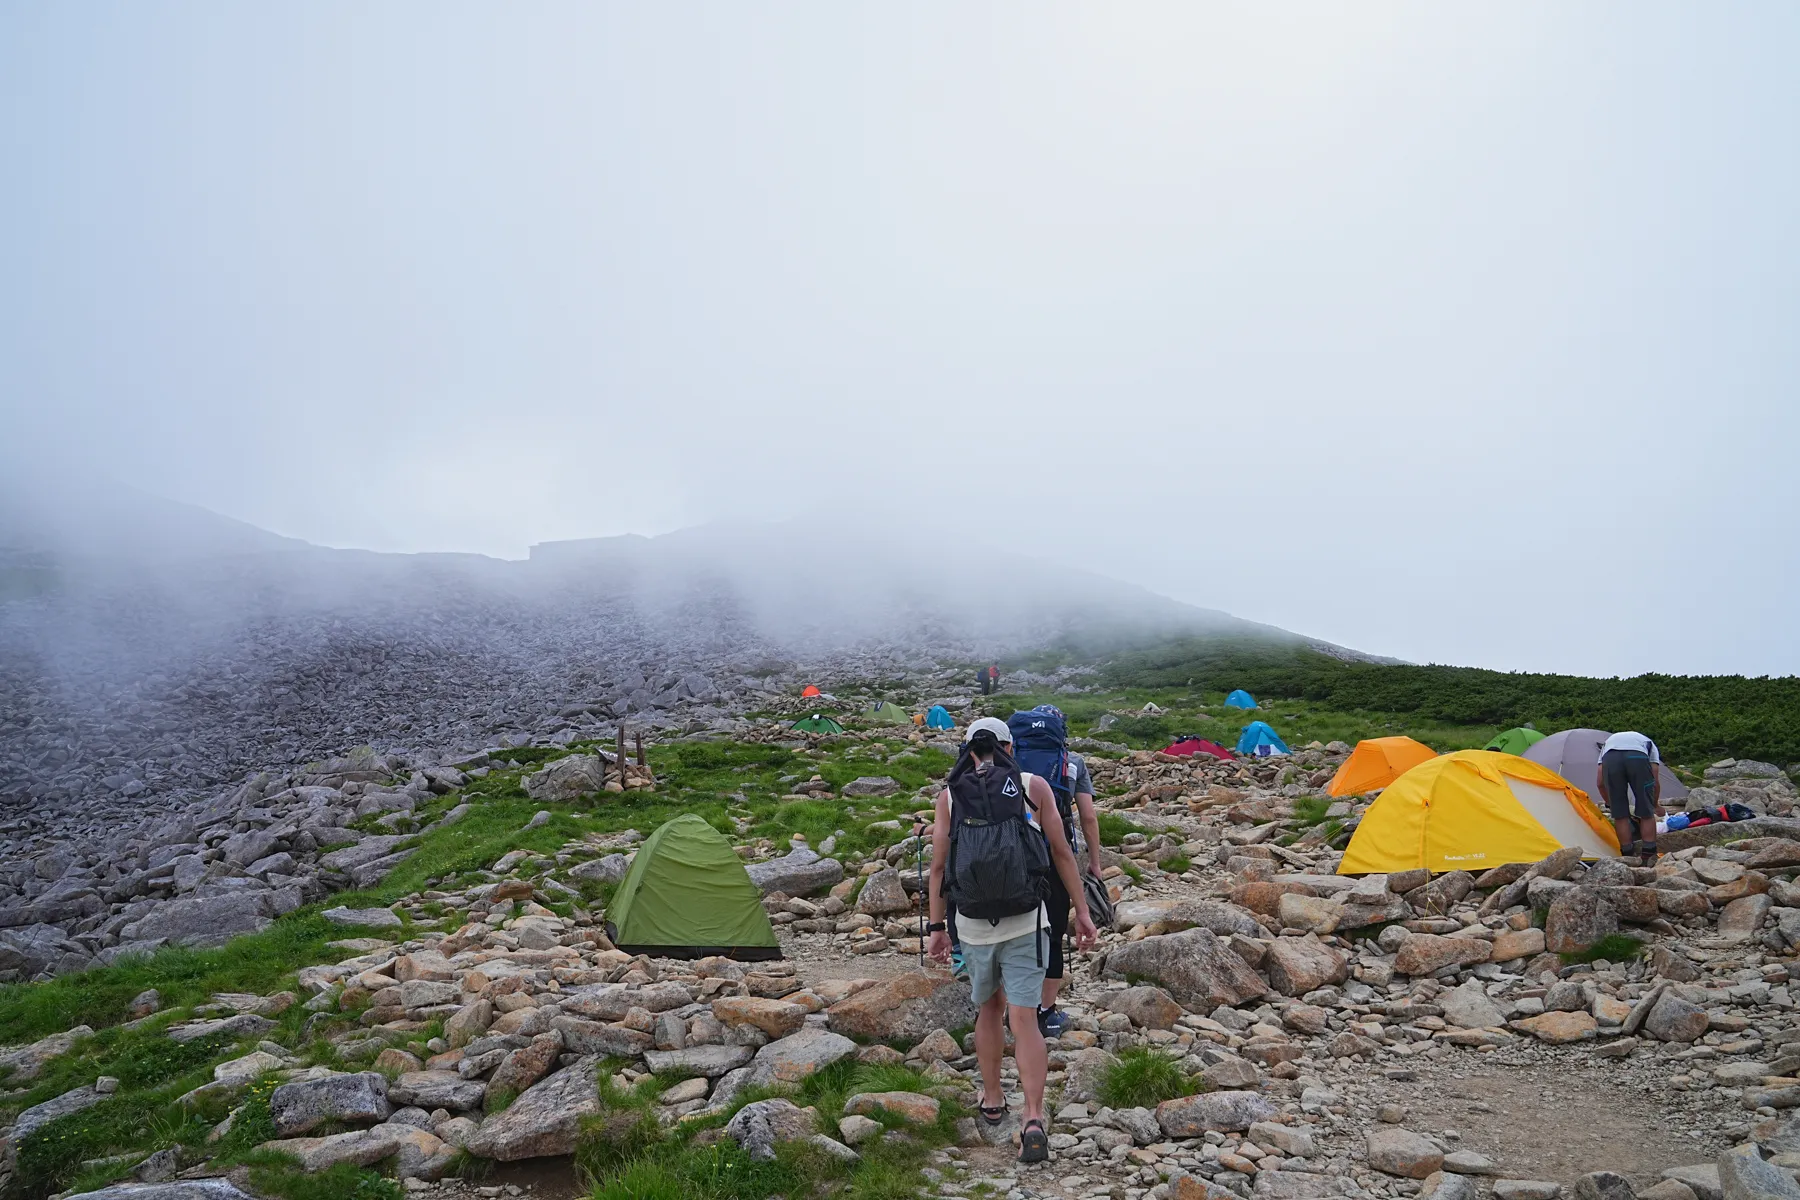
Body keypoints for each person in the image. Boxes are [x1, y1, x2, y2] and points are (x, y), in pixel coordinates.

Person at [928, 716, 1097, 1164]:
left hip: (974, 922)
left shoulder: (950, 795)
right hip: (1027, 918)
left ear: (966, 749)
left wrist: (937, 928)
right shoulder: (1034, 786)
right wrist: (1081, 911)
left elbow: (939, 869)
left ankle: (991, 1098)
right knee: (1024, 1018)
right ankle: (1034, 1118)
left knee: (989, 1009)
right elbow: (1063, 853)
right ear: (1009, 747)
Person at [1007, 705, 1104, 1037]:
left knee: (1013, 929)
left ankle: (1012, 1009)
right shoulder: (1072, 763)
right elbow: (1088, 816)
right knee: (1053, 932)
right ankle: (1044, 1014)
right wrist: (1094, 861)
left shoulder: (1009, 757)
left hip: (1009, 854)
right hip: (1054, 855)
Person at [1596, 730, 1662, 866]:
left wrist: (1611, 804)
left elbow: (1600, 783)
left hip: (1611, 758)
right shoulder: (1649, 743)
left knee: (1620, 815)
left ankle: (1627, 856)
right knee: (1646, 812)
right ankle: (1648, 855)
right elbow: (1654, 781)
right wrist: (1654, 804)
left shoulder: (1607, 745)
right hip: (1637, 757)